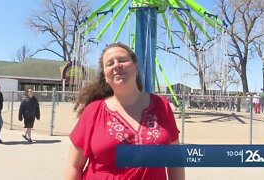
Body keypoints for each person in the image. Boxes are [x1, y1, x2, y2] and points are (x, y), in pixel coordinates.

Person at [64, 42, 185, 180]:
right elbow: (74, 166)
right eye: (110, 63)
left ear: (136, 67)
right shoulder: (93, 111)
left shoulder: (161, 105)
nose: (116, 65)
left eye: (122, 60)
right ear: (105, 75)